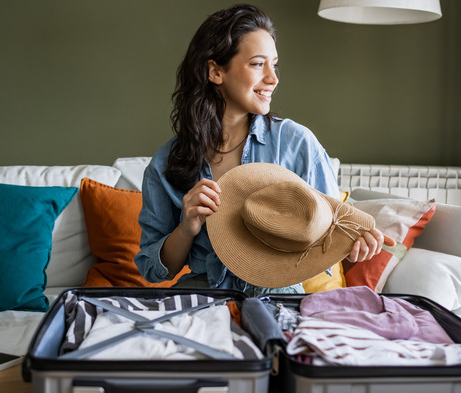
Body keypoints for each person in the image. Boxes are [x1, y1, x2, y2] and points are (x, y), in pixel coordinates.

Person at [135, 4, 393, 296]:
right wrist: (186, 227)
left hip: (281, 301)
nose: (273, 78)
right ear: (215, 71)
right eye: (258, 64)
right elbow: (154, 270)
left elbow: (333, 233)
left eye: (275, 64)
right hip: (202, 298)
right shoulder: (167, 162)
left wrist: (353, 246)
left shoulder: (297, 143)